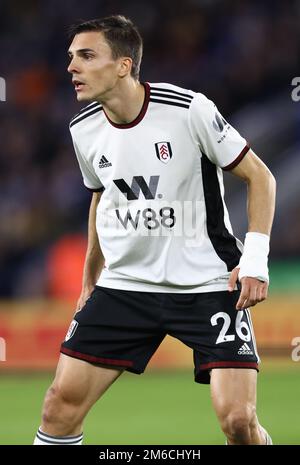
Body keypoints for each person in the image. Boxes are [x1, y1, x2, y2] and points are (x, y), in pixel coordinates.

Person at [33, 15, 276, 446]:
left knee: (239, 421)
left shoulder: (188, 110)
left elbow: (261, 178)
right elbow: (100, 198)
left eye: (86, 56)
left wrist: (255, 261)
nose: (71, 66)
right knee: (58, 407)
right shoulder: (83, 129)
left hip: (207, 283)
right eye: (71, 57)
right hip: (126, 285)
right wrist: (91, 278)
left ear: (124, 65)